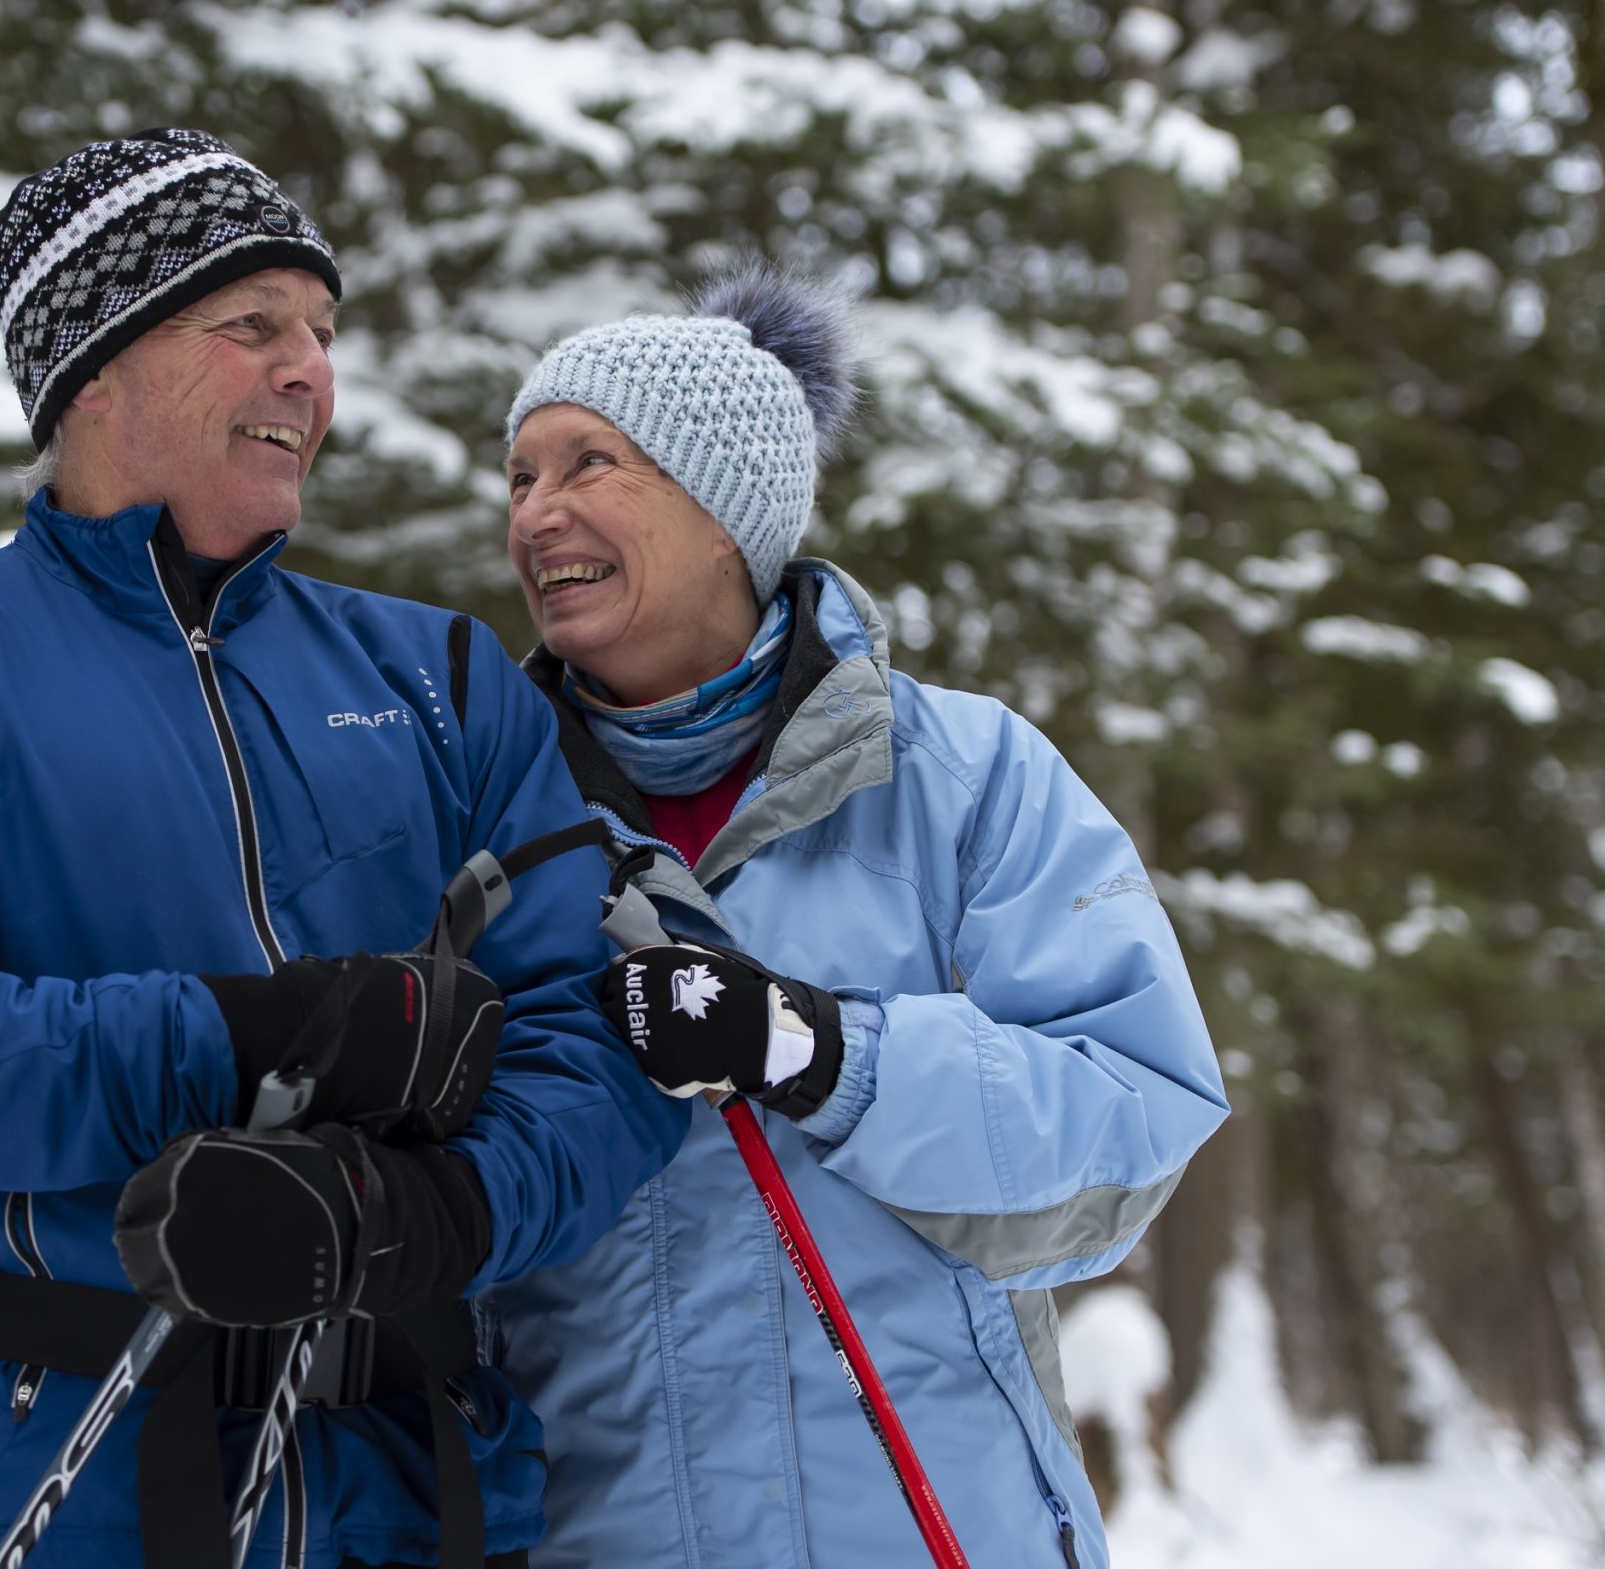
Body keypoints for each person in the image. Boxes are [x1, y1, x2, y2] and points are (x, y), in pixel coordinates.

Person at [0, 129, 683, 1569]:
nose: (311, 371)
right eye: (253, 328)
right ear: (94, 371)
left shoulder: (440, 672)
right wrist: (268, 1037)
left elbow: (610, 1039)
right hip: (64, 1486)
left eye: (321, 332)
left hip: (428, 1489)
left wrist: (425, 1213)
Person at [485, 261, 1229, 1569]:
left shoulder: (962, 779)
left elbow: (1129, 1124)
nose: (537, 512)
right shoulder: (478, 821)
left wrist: (823, 1052)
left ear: (727, 511)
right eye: (519, 476)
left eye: (588, 463)